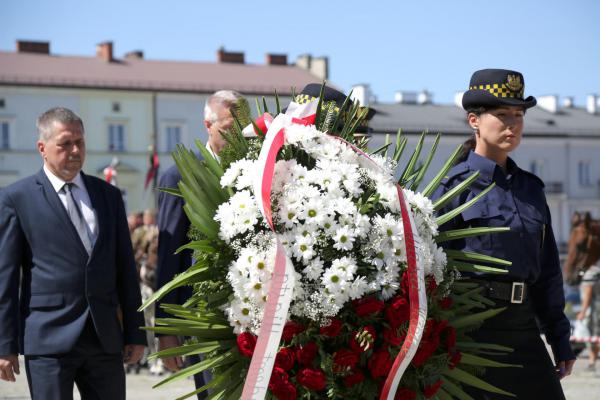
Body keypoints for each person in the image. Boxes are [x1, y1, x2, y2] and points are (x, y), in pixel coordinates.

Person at [433, 69, 575, 399]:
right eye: (501, 114)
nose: (512, 124)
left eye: (518, 115)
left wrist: (559, 339)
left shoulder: (531, 189)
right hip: (471, 333)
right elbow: (431, 270)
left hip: (524, 330)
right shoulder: (453, 189)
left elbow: (548, 272)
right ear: (474, 121)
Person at [0, 107, 146, 399]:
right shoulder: (17, 198)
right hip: (48, 340)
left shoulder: (109, 196)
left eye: (80, 142)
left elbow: (125, 270)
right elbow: (5, 277)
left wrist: (135, 333)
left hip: (103, 338)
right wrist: (5, 344)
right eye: (65, 143)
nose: (75, 150)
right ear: (42, 148)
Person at [155, 90, 245, 398]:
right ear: (208, 124)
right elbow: (168, 255)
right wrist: (166, 329)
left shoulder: (256, 168)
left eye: (244, 127)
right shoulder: (181, 174)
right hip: (205, 316)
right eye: (231, 127)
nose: (238, 136)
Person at [576, 262, 600, 371]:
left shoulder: (590, 273)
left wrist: (583, 311)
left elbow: (588, 294)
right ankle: (592, 360)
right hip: (595, 307)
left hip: (593, 310)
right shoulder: (596, 271)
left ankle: (591, 360)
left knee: (592, 336)